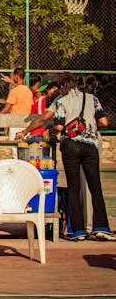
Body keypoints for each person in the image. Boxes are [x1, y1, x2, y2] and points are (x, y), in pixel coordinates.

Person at [15, 72, 115, 241]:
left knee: (73, 188)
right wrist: (89, 128)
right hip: (91, 146)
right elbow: (104, 122)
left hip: (71, 146)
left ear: (61, 87)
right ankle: (101, 227)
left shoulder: (60, 101)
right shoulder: (92, 98)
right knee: (95, 187)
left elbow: (55, 124)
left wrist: (26, 131)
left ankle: (78, 231)